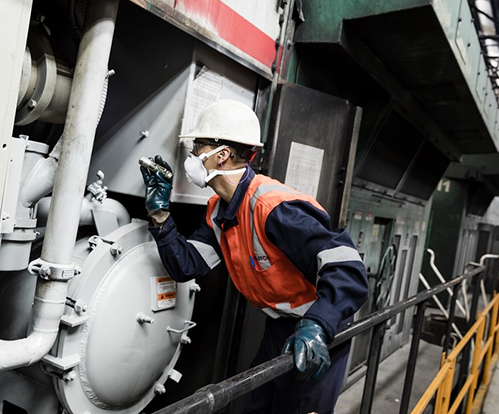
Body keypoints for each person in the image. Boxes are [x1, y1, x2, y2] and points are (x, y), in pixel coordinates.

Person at [140, 99, 369, 414]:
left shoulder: (274, 207)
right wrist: (161, 216)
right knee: (256, 405)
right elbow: (187, 264)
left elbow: (347, 267)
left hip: (322, 327)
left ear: (221, 156)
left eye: (197, 146)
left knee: (300, 409)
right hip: (281, 326)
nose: (191, 155)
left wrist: (317, 325)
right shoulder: (220, 212)